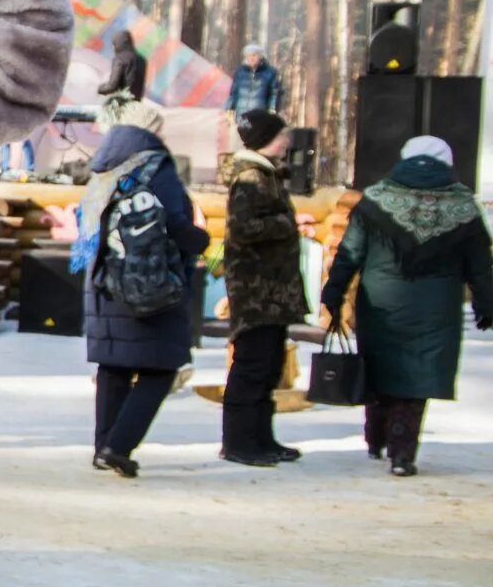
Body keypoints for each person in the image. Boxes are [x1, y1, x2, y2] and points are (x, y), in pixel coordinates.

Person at [320, 135, 493, 477]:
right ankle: (402, 453)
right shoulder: (463, 206)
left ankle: (375, 438)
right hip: (436, 307)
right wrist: (486, 303)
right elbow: (480, 264)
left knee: (382, 367)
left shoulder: (375, 200)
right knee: (418, 375)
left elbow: (350, 252)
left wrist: (334, 292)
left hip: (381, 301)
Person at [73, 103, 209, 477]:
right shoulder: (154, 166)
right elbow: (175, 222)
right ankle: (119, 446)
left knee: (113, 366)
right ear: (151, 131)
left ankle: (104, 447)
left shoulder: (103, 168)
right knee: (161, 367)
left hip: (103, 282)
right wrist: (201, 240)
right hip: (150, 284)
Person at [218, 109, 307, 466]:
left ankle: (260, 436)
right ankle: (239, 441)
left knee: (269, 365)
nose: (287, 141)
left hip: (271, 288)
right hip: (256, 289)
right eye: (281, 135)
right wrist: (286, 223)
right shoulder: (252, 177)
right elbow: (244, 228)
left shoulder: (266, 175)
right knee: (252, 365)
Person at [227, 43, 283, 115]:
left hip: (260, 116)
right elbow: (233, 93)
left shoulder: (270, 73)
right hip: (242, 115)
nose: (251, 58)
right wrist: (230, 107)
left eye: (254, 55)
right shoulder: (239, 72)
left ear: (260, 56)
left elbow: (274, 94)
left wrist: (273, 108)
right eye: (248, 56)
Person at [99, 31, 147, 101]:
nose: (113, 47)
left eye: (114, 44)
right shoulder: (142, 60)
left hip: (121, 104)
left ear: (119, 43)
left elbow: (112, 86)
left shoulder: (120, 59)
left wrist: (99, 89)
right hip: (136, 105)